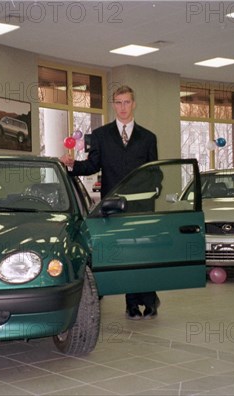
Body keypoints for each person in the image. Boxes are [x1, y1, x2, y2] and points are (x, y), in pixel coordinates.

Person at [60, 85, 160, 320]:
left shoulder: (148, 138)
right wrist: (71, 165)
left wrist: (154, 191)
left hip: (141, 207)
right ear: (113, 105)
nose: (123, 107)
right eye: (118, 102)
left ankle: (150, 299)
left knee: (143, 254)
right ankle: (132, 303)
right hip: (113, 207)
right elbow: (92, 166)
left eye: (127, 102)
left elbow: (154, 172)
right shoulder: (101, 135)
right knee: (125, 254)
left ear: (133, 104)